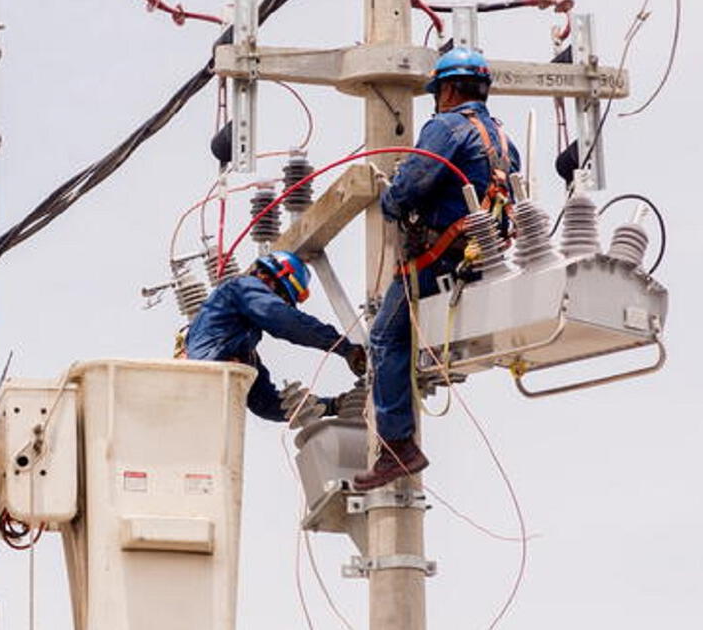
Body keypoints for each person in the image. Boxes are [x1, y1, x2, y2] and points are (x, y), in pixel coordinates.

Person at [359, 48, 521, 490]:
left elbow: (410, 186)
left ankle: (397, 447)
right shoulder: (505, 140)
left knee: (385, 335)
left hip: (438, 256)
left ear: (447, 89)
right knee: (421, 339)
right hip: (481, 257)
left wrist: (390, 199)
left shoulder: (445, 127)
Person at [186, 250, 366, 422]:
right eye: (282, 299)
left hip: (200, 401)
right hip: (200, 383)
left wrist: (333, 406)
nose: (280, 303)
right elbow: (285, 320)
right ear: (269, 279)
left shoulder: (240, 349)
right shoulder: (241, 287)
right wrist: (344, 347)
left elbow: (266, 403)